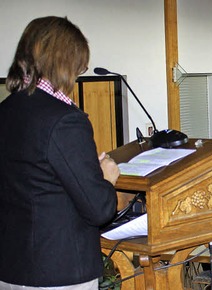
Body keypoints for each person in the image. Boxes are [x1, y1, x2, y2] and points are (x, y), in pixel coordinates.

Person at [0, 16, 119, 288]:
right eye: (79, 67)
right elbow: (98, 208)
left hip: (11, 267)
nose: (78, 75)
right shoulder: (65, 120)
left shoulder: (5, 112)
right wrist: (106, 178)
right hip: (59, 271)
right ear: (66, 63)